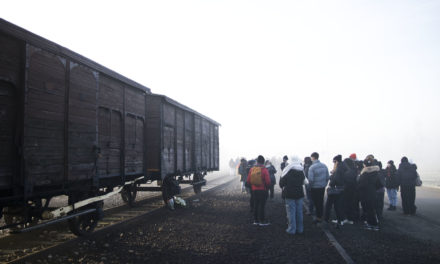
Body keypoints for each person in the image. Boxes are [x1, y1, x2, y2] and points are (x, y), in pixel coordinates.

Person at [279, 156, 305, 235]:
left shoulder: (287, 170)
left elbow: (281, 183)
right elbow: (304, 182)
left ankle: (291, 229)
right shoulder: (301, 170)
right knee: (299, 211)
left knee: (291, 212)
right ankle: (300, 229)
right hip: (299, 193)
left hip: (289, 194)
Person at [358, 156, 382, 231]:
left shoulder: (364, 174)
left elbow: (360, 185)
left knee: (368, 210)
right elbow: (379, 184)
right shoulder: (376, 173)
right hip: (373, 193)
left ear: (365, 165)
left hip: (365, 194)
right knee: (372, 209)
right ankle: (373, 224)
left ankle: (372, 224)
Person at [247, 155, 271, 226]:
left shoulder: (252, 169)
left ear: (257, 161)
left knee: (256, 205)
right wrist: (267, 188)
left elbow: (248, 180)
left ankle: (255, 220)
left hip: (254, 190)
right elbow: (268, 182)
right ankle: (262, 221)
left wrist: (253, 187)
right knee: (262, 206)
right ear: (263, 162)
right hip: (262, 190)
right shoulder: (264, 169)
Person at [308, 152, 329, 224]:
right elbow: (327, 177)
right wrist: (324, 184)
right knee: (320, 201)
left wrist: (310, 187)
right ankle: (320, 216)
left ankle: (318, 217)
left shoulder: (312, 167)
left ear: (313, 158)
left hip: (314, 187)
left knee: (316, 202)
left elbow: (310, 180)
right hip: (322, 187)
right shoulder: (324, 166)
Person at [324, 155, 345, 228]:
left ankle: (326, 220)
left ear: (336, 161)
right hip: (341, 189)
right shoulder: (344, 167)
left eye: (334, 162)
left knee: (328, 206)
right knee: (338, 206)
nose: (333, 163)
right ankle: (340, 221)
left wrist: (331, 181)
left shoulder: (338, 169)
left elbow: (336, 179)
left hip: (335, 190)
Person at [341, 157, 358, 224]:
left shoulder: (348, 172)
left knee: (346, 204)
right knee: (351, 205)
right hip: (353, 190)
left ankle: (346, 219)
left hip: (347, 190)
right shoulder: (354, 170)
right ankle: (351, 219)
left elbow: (347, 181)